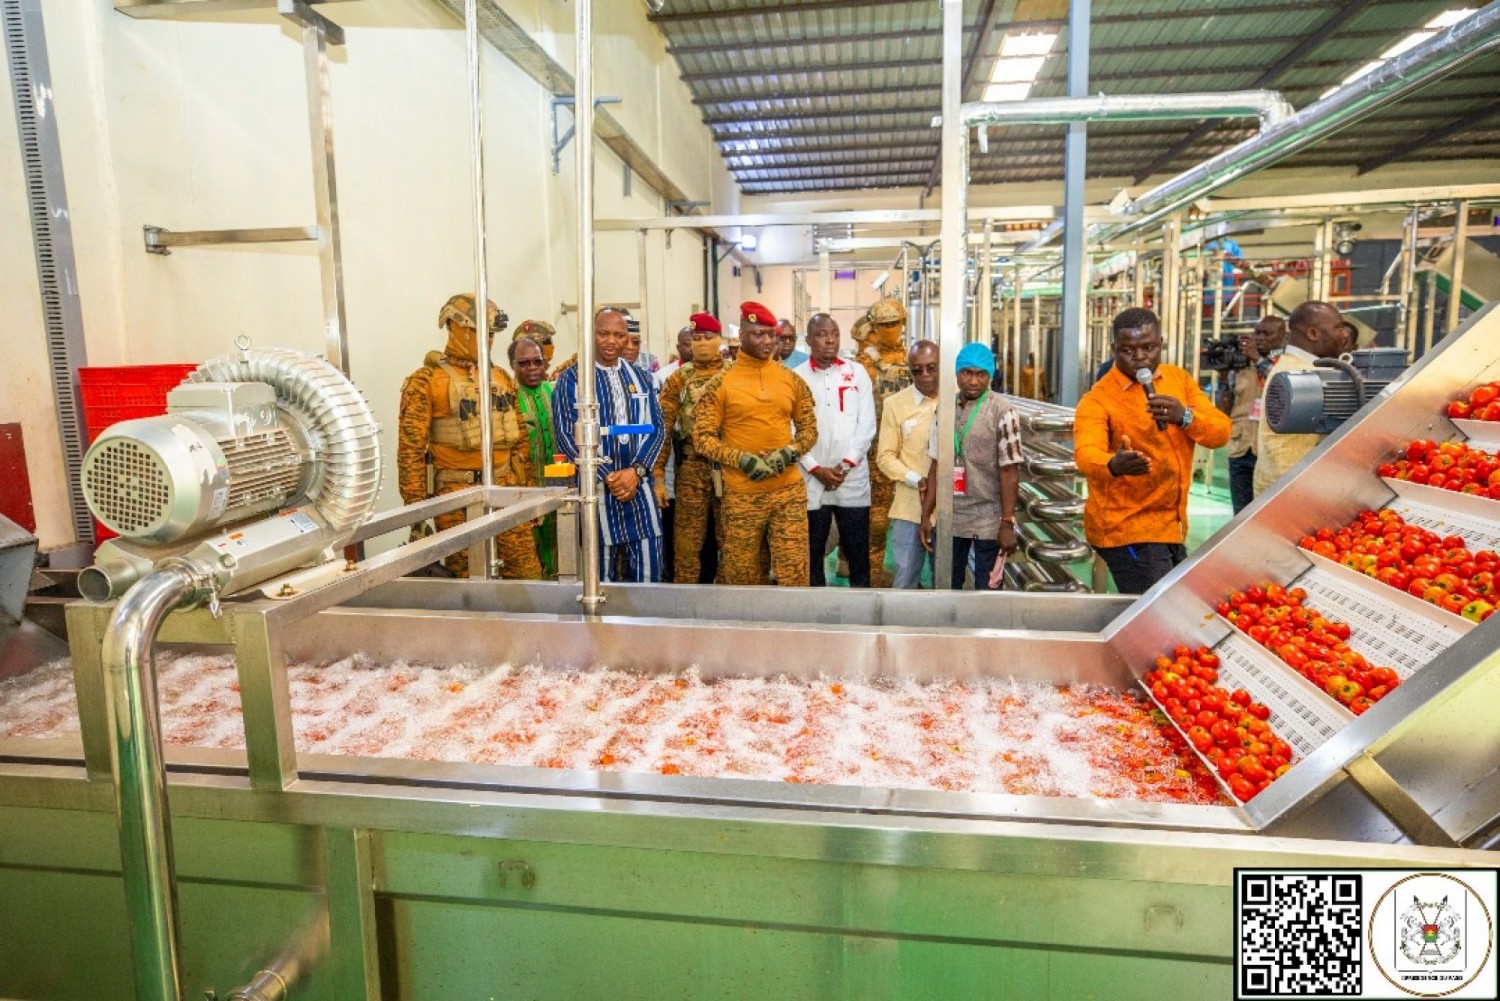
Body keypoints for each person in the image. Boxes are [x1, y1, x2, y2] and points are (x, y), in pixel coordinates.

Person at [1073, 307, 1231, 595]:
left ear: (1161, 343)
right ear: (1114, 349)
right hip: (1128, 528)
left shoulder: (1178, 380)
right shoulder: (1097, 399)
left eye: (1148, 347)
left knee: (1163, 607)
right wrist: (1114, 464)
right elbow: (1086, 452)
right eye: (1128, 350)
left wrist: (1185, 417)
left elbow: (1220, 432)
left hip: (1172, 523)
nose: (1140, 357)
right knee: (1154, 614)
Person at [397, 293, 544, 579]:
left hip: (506, 489)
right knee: (467, 583)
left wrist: (530, 496)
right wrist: (416, 513)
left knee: (527, 578)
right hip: (455, 498)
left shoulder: (500, 377)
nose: (486, 340)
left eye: (490, 334)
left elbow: (521, 443)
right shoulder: (426, 381)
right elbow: (410, 451)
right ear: (454, 327)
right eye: (478, 332)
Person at [693, 301, 818, 587]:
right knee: (742, 578)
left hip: (788, 493)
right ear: (742, 336)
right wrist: (743, 459)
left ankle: (793, 632)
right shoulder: (720, 384)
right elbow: (702, 438)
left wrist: (789, 453)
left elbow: (809, 430)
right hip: (741, 496)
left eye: (770, 334)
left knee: (795, 576)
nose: (767, 341)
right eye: (758, 334)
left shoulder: (790, 380)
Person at [552, 306, 667, 582]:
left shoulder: (641, 378)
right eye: (603, 333)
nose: (611, 341)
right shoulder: (572, 380)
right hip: (597, 492)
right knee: (598, 580)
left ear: (627, 337)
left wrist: (636, 472)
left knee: (649, 580)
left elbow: (657, 428)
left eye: (618, 335)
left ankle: (644, 627)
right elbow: (567, 436)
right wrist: (611, 478)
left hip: (639, 491)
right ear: (590, 335)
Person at [918, 343, 1023, 590]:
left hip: (989, 517)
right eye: (967, 373)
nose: (973, 381)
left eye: (981, 374)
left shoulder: (1003, 412)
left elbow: (1010, 470)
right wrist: (926, 515)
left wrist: (1007, 522)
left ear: (990, 375)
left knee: (986, 593)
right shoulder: (944, 409)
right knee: (945, 587)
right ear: (956, 373)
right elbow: (936, 464)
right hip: (950, 516)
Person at [793, 314, 876, 587]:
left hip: (850, 479)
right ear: (808, 341)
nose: (829, 339)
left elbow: (867, 425)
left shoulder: (857, 372)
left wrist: (845, 465)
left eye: (834, 333)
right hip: (810, 478)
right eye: (821, 334)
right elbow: (791, 429)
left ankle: (861, 613)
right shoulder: (796, 377)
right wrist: (815, 467)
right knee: (811, 554)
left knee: (857, 553)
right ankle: (816, 612)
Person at [655, 312, 728, 584]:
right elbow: (662, 427)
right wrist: (658, 476)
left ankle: (725, 601)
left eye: (708, 338)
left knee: (731, 544)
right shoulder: (678, 379)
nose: (702, 344)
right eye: (696, 338)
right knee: (686, 546)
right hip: (692, 470)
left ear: (719, 340)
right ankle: (684, 603)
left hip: (730, 471)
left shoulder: (733, 375)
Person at [1252, 300, 1347, 498]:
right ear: (1313, 334)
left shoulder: (1292, 367)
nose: (1345, 335)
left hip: (1281, 486)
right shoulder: (1303, 375)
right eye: (1338, 327)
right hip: (1294, 491)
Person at [857, 297, 915, 586]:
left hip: (913, 453)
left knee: (915, 520)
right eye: (884, 325)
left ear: (902, 323)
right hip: (876, 453)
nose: (890, 329)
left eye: (894, 323)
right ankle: (872, 575)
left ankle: (910, 576)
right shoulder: (864, 362)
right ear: (874, 327)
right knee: (877, 522)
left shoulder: (915, 358)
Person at [875, 340, 940, 589]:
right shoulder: (895, 405)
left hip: (950, 509)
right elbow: (885, 456)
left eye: (932, 368)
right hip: (909, 506)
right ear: (909, 370)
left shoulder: (957, 401)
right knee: (905, 578)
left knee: (945, 581)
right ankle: (899, 627)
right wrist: (916, 479)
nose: (925, 376)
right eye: (917, 370)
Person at [1215, 315, 1286, 514]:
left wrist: (1257, 359)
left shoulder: (1286, 364)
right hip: (1240, 447)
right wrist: (1223, 376)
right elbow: (1223, 409)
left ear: (1283, 336)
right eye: (1257, 333)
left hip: (1269, 451)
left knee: (1269, 512)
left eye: (1267, 333)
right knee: (1241, 512)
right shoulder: (1240, 366)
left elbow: (1279, 383)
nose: (1260, 338)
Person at [510, 335, 558, 576]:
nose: (532, 368)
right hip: (523, 493)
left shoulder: (555, 392)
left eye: (537, 362)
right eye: (524, 363)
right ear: (513, 366)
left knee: (561, 554)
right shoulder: (507, 399)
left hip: (557, 491)